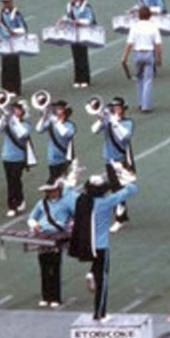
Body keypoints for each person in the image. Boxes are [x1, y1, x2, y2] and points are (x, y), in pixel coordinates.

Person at [72, 166, 138, 322]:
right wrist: (123, 174)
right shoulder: (107, 202)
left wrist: (73, 175)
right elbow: (131, 189)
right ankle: (100, 314)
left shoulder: (81, 200)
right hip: (101, 246)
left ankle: (91, 272)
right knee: (103, 281)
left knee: (98, 272)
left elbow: (68, 191)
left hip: (86, 243)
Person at [26, 177, 77, 308]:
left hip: (57, 236)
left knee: (54, 267)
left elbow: (76, 216)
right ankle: (46, 297)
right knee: (43, 266)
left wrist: (70, 228)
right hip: (43, 235)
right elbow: (32, 217)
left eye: (52, 190)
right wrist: (34, 224)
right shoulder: (42, 203)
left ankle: (56, 297)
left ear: (58, 189)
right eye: (48, 191)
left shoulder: (66, 202)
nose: (50, 193)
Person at [94, 97, 135, 231]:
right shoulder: (108, 121)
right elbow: (94, 130)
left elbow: (125, 137)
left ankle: (120, 217)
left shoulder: (128, 122)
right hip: (109, 159)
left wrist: (114, 121)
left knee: (120, 188)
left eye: (118, 107)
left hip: (121, 160)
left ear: (123, 109)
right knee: (114, 188)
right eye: (113, 107)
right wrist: (100, 118)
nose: (115, 109)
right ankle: (120, 214)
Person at [120, 5, 163, 113]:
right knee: (148, 80)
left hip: (137, 53)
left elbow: (129, 43)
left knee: (139, 78)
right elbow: (157, 45)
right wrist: (159, 58)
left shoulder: (135, 27)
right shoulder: (153, 27)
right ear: (150, 15)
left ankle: (140, 102)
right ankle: (146, 105)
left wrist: (124, 57)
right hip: (149, 53)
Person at [0, 99, 36, 217]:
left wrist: (13, 120)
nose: (15, 111)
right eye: (14, 108)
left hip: (19, 157)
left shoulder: (26, 124)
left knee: (15, 180)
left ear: (23, 111)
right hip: (7, 156)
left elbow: (22, 134)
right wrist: (4, 117)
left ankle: (12, 205)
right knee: (10, 181)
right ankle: (19, 199)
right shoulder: (9, 121)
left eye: (18, 109)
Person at [0, 0, 29, 95]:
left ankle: (15, 89)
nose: (6, 4)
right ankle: (5, 88)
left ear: (11, 1)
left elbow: (24, 28)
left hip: (14, 42)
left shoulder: (16, 13)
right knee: (5, 65)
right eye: (4, 2)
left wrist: (14, 32)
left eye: (7, 2)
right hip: (4, 42)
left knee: (14, 65)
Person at [61, 0, 96, 88]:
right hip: (73, 33)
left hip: (83, 33)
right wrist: (62, 21)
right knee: (75, 55)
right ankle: (77, 78)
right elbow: (67, 16)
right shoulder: (69, 6)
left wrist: (79, 22)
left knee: (83, 55)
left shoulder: (86, 6)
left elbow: (90, 20)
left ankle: (85, 78)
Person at [35, 99, 75, 184]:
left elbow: (64, 134)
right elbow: (39, 129)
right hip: (52, 158)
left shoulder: (70, 125)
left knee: (60, 181)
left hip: (64, 158)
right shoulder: (51, 123)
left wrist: (55, 121)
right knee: (54, 179)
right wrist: (44, 117)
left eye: (60, 109)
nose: (57, 111)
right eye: (56, 109)